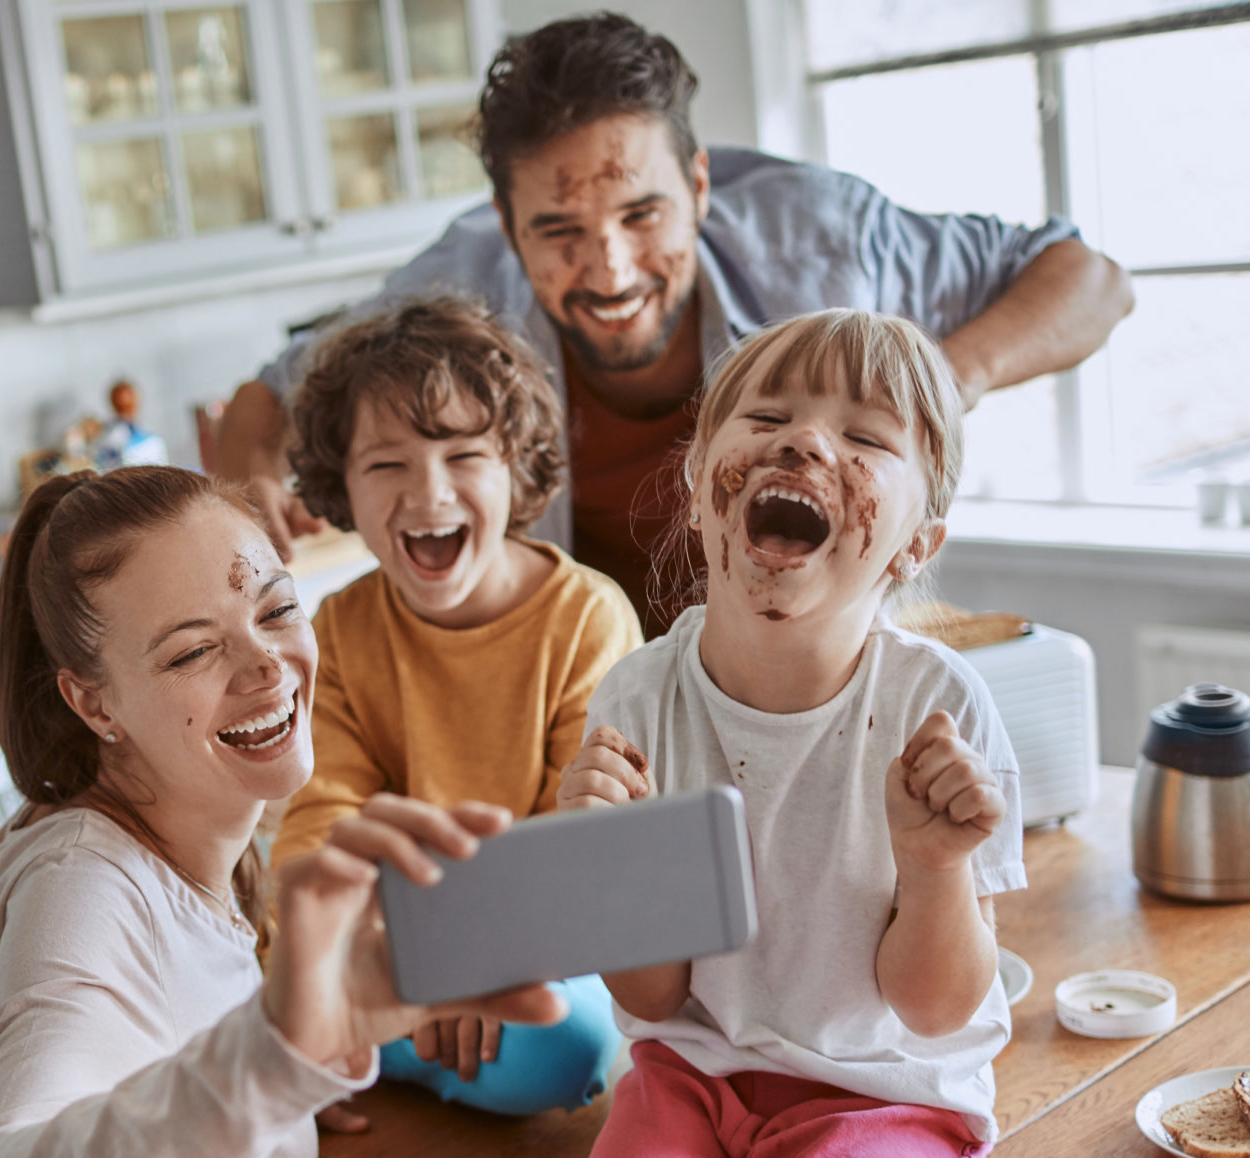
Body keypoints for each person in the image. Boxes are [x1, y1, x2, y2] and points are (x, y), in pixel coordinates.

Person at [217, 12, 1132, 634]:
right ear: (506, 226)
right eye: (560, 231)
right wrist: (251, 490)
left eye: (642, 216)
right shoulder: (460, 284)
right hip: (588, 698)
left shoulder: (819, 236)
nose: (611, 269)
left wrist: (936, 379)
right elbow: (266, 397)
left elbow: (1090, 279)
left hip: (814, 678)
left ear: (698, 186)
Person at [0, 465, 567, 1158]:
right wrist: (277, 1054)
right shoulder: (79, 890)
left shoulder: (214, 818)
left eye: (276, 611)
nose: (266, 665)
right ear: (94, 703)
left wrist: (307, 1052)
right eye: (195, 650)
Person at [560, 310, 1022, 1157]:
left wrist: (934, 867)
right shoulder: (638, 697)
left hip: (884, 1094)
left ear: (914, 544)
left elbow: (934, 1009)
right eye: (768, 420)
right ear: (700, 487)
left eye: (865, 437)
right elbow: (654, 998)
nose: (805, 443)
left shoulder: (938, 706)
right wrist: (611, 856)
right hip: (693, 1077)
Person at [269, 296, 643, 1119]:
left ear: (517, 468)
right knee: (227, 992)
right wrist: (390, 963)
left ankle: (357, 1052)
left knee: (568, 1042)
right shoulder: (339, 628)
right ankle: (355, 1044)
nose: (426, 492)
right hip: (386, 948)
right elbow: (317, 823)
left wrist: (477, 957)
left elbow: (576, 844)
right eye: (385, 464)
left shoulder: (586, 617)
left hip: (539, 946)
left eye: (463, 453)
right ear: (342, 490)